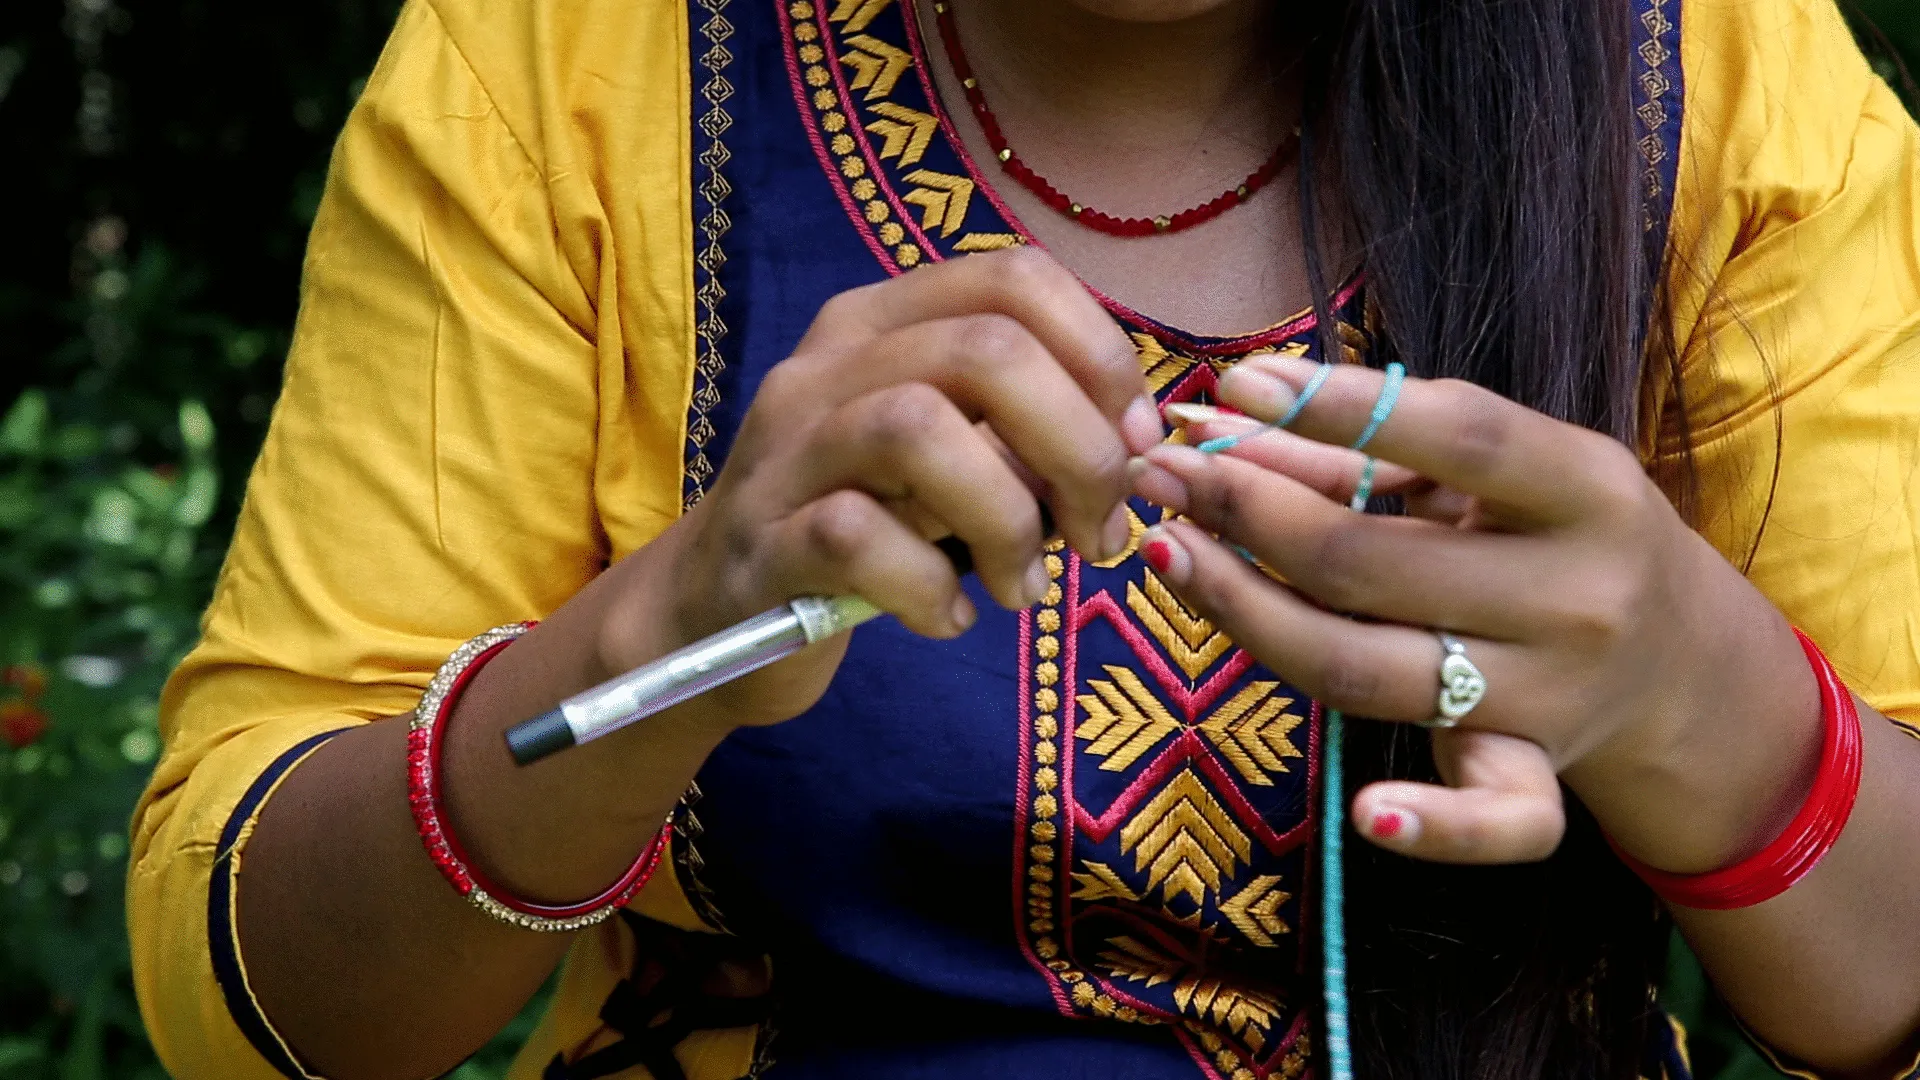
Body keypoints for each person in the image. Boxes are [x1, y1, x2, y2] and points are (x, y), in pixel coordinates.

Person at [127, 0, 1920, 1075]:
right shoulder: (569, 65)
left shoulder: (1722, 80)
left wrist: (1700, 692)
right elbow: (256, 992)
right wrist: (670, 631)